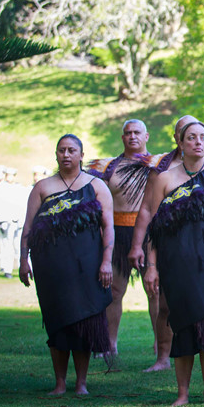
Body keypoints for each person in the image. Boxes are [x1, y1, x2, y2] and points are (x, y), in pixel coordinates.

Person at [125, 115, 204, 372]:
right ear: (179, 142)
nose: (198, 142)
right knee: (175, 314)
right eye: (191, 137)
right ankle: (176, 381)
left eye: (203, 137)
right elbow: (154, 226)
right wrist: (152, 265)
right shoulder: (164, 179)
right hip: (177, 261)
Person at [18, 134, 114, 395]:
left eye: (72, 150)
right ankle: (60, 383)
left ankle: (81, 383)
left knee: (84, 321)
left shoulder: (96, 186)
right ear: (56, 154)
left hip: (88, 266)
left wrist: (106, 262)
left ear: (82, 155)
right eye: (62, 150)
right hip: (51, 268)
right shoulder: (43, 187)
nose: (66, 154)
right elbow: (28, 227)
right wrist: (23, 261)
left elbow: (108, 227)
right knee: (57, 321)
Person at [86, 119, 151, 353]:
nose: (132, 136)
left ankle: (162, 346)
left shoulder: (157, 166)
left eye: (137, 132)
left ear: (146, 137)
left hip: (150, 234)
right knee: (113, 290)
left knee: (154, 289)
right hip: (117, 233)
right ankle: (110, 343)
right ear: (122, 137)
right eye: (127, 133)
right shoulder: (109, 168)